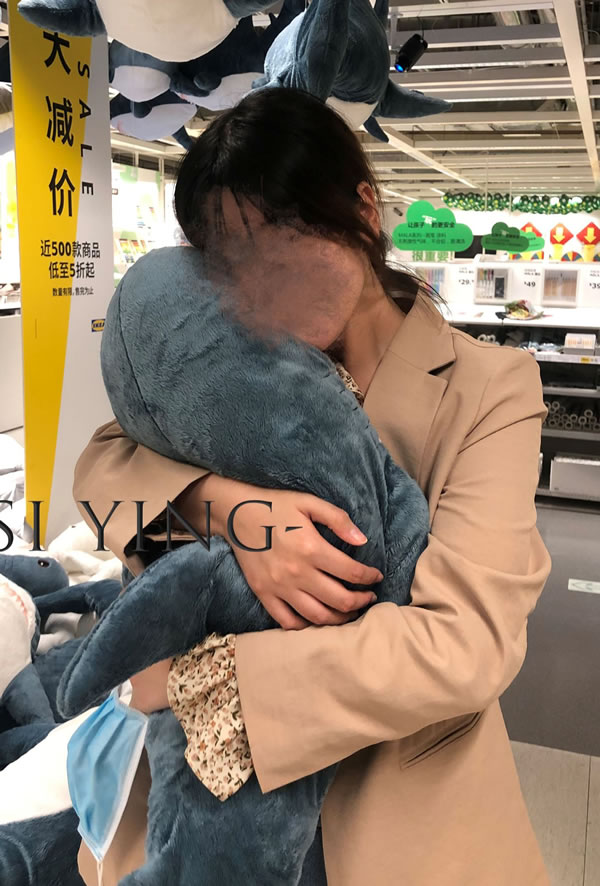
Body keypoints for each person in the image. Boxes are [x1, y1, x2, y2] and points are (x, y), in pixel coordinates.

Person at [74, 88, 551, 886]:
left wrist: (205, 683)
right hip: (209, 808)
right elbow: (100, 471)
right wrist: (231, 513)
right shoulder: (231, 357)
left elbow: (466, 641)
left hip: (394, 809)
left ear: (362, 211)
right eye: (230, 265)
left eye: (284, 246)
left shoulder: (489, 386)